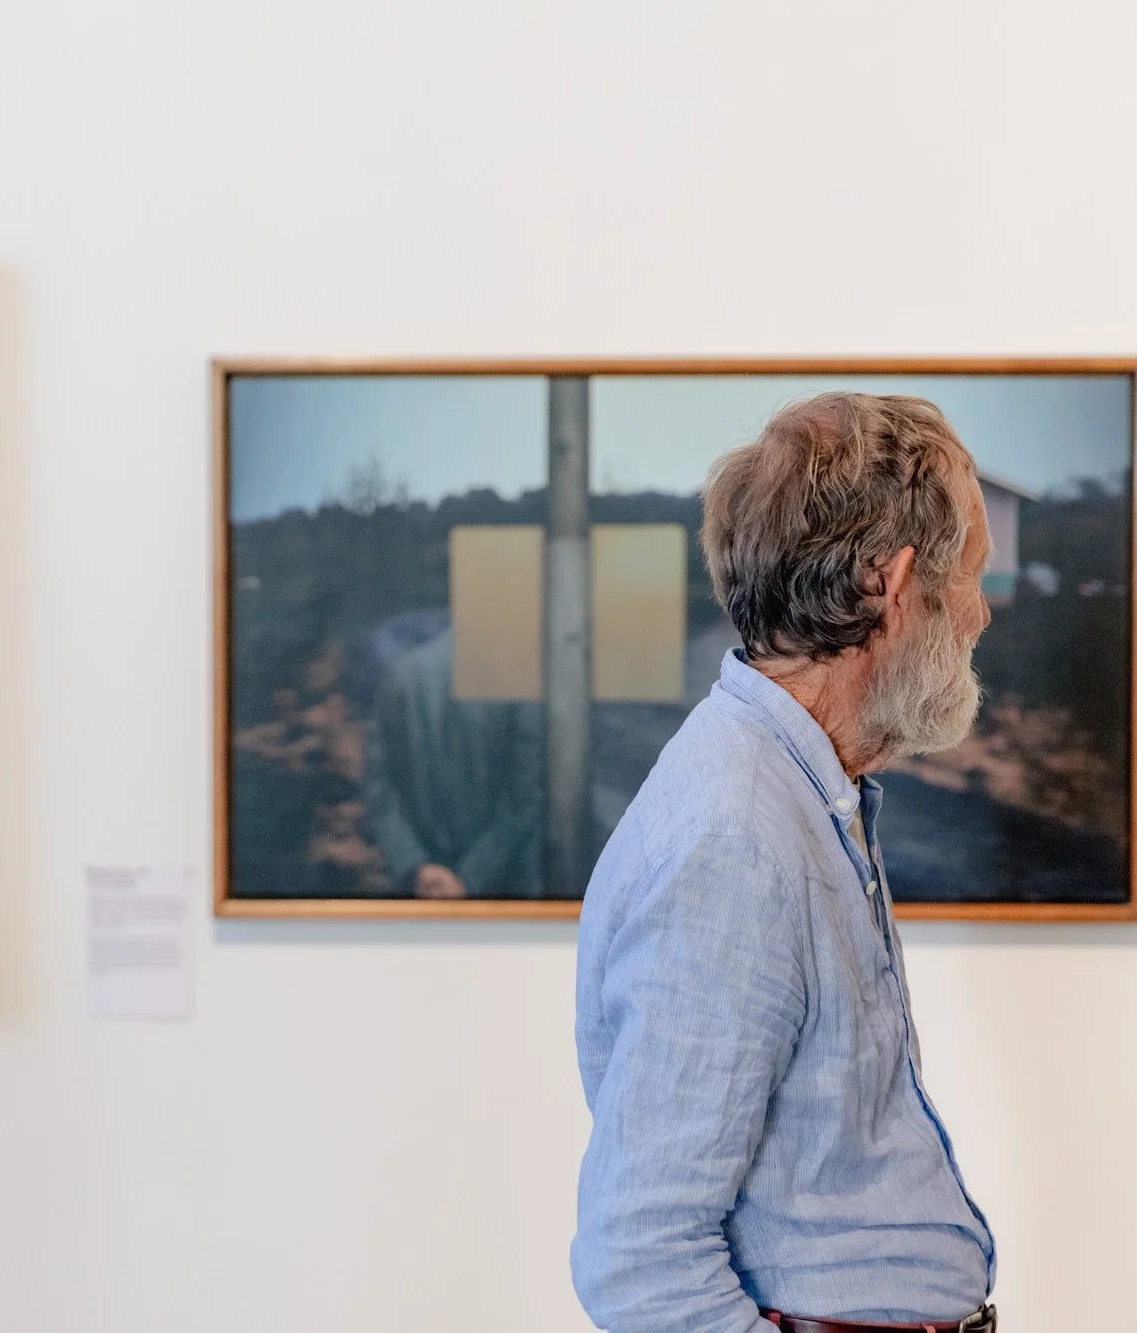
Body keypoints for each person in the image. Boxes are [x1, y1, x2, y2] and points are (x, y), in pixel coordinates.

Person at [572, 394, 999, 1333]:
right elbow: (640, 1256)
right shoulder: (737, 833)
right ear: (892, 583)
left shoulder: (797, 785)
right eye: (966, 577)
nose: (980, 613)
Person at [361, 626, 547, 899]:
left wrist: (416, 865)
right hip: (505, 898)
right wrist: (470, 877)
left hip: (419, 892)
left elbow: (379, 786)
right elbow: (527, 796)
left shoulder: (402, 675)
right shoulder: (517, 679)